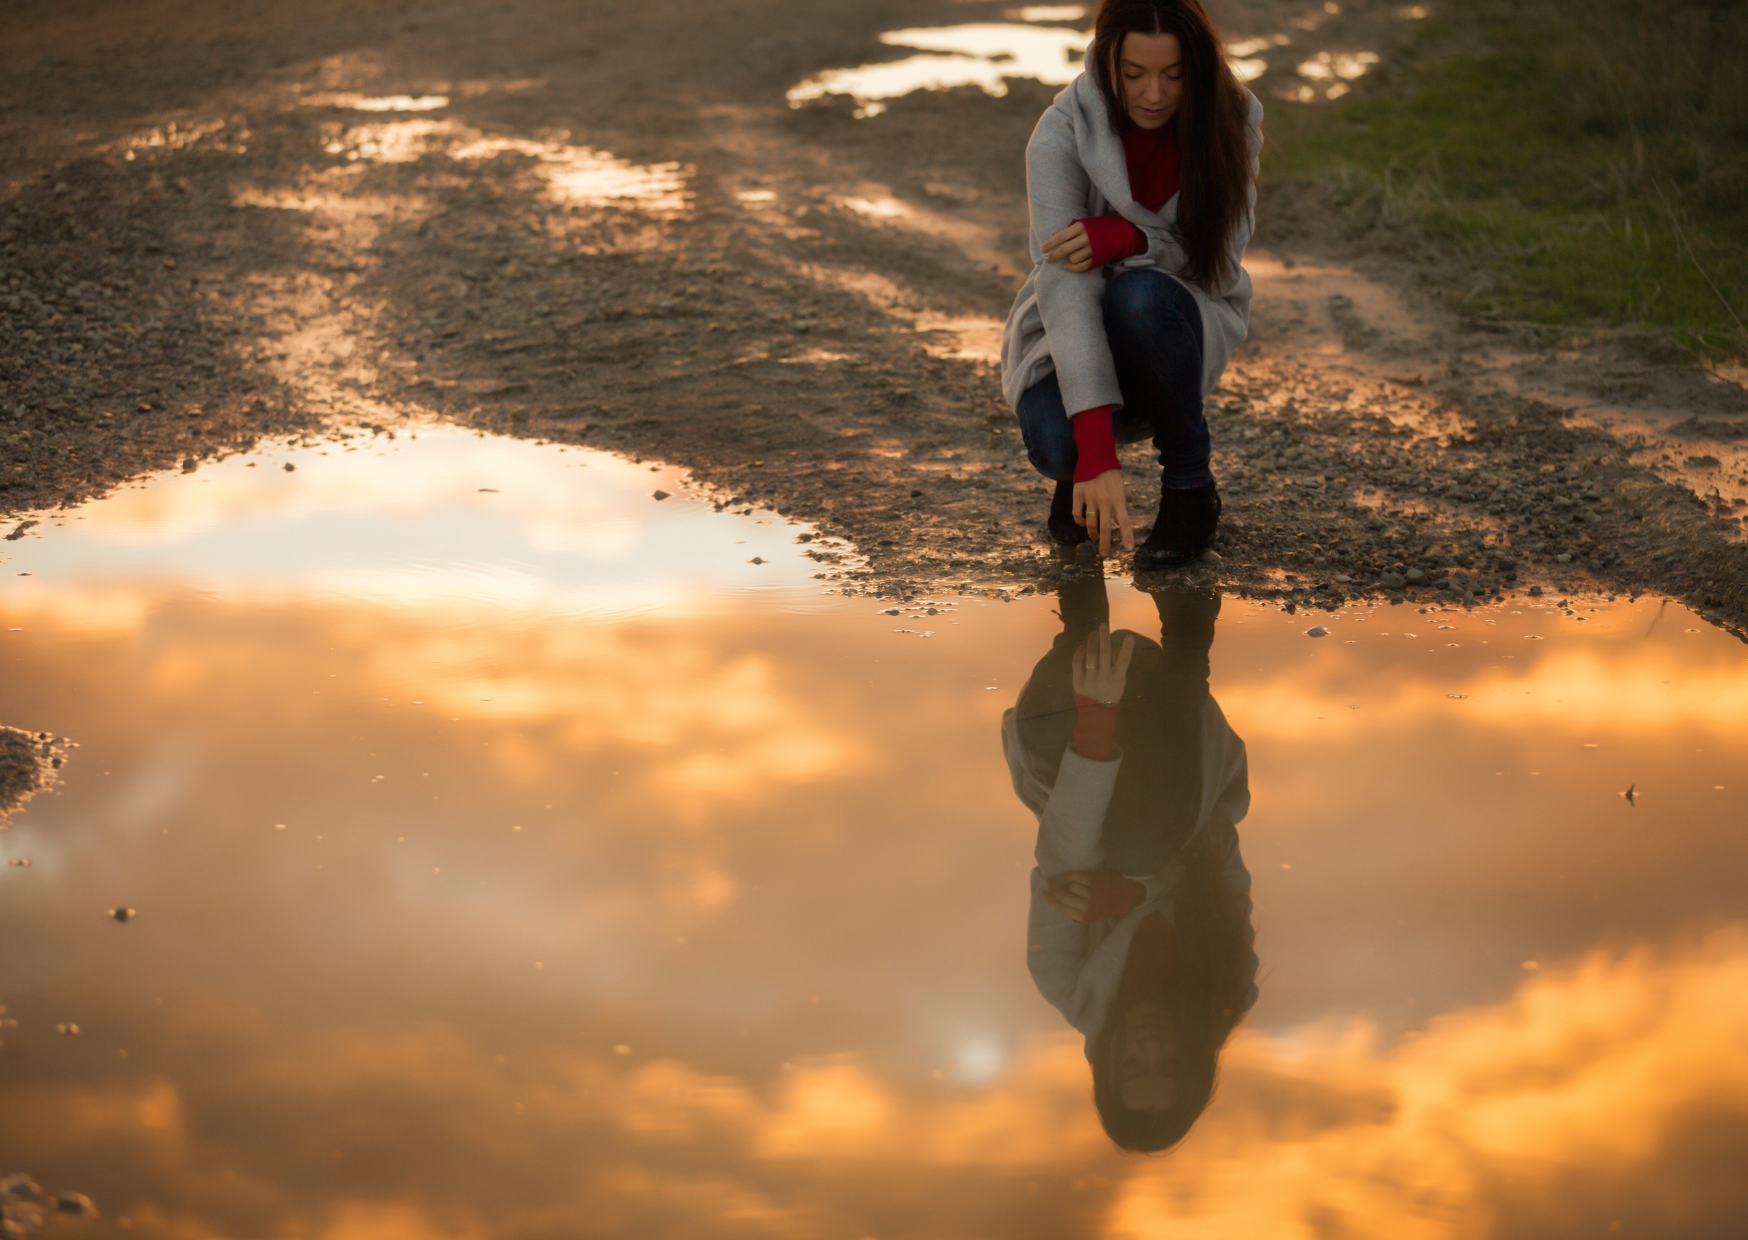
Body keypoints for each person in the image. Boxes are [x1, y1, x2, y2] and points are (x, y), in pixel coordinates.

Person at [1000, 0, 1263, 567]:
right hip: (1073, 323)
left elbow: (1218, 269)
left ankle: (1191, 488)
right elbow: (1064, 286)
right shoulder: (1060, 134)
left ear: (1197, 67)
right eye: (1133, 74)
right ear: (1105, 63)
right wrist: (1094, 452)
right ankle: (1078, 482)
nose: (1154, 95)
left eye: (1174, 75)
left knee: (1138, 297)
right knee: (1056, 445)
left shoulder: (1232, 120)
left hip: (1178, 312)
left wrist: (1131, 240)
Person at [1000, 575, 1256, 1151]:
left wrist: (1097, 713)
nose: (1151, 1048)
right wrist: (1134, 893)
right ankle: (1189, 621)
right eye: (1169, 1066)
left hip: (1075, 744)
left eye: (1134, 1068)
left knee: (1042, 732)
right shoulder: (1225, 986)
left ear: (1107, 1068)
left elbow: (1062, 849)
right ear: (1193, 1067)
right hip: (1176, 738)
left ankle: (1082, 594)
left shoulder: (1063, 981)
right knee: (1143, 847)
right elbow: (1216, 845)